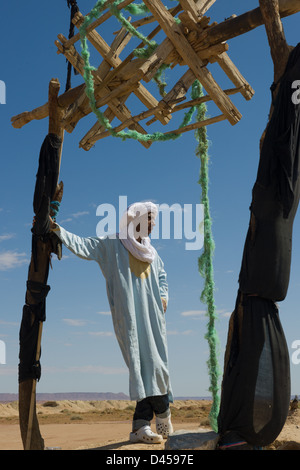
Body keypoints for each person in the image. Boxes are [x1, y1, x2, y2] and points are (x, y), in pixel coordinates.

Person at [50, 201, 173, 444]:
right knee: (141, 367)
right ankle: (160, 416)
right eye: (149, 218)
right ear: (135, 219)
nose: (153, 224)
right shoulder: (112, 244)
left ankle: (142, 426)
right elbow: (84, 246)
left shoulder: (152, 253)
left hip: (154, 320)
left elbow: (162, 275)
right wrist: (57, 230)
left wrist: (164, 295)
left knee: (156, 368)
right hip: (130, 320)